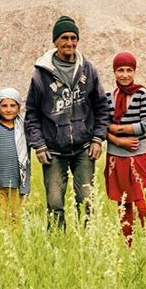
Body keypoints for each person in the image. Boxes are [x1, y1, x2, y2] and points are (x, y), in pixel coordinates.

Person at [25, 15, 109, 229]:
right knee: (54, 202)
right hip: (53, 150)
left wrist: (98, 138)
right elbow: (32, 113)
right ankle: (57, 245)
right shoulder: (41, 74)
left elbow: (101, 107)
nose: (69, 43)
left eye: (73, 37)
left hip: (84, 148)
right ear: (55, 41)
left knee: (86, 201)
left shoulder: (88, 70)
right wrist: (39, 144)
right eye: (64, 38)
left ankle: (87, 243)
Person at [104, 52, 146, 246]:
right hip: (115, 157)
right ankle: (129, 246)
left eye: (129, 70)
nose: (124, 75)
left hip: (137, 156)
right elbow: (101, 124)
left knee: (142, 201)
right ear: (114, 72)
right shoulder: (108, 96)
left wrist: (121, 128)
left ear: (134, 71)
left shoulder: (142, 94)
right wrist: (117, 139)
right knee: (123, 203)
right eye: (120, 70)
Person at [0, 87, 31, 225]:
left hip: (17, 183)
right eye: (4, 106)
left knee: (17, 218)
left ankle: (17, 244)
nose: (8, 109)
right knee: (2, 218)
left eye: (13, 105)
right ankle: (2, 244)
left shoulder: (24, 129)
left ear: (19, 107)